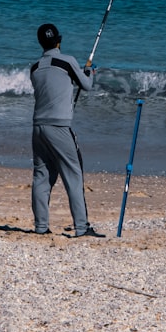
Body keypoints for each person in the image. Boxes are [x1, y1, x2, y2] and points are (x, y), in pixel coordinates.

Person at [29, 23, 105, 237]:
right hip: (59, 127)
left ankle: (41, 227)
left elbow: (51, 87)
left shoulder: (34, 68)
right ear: (59, 41)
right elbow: (87, 85)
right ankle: (82, 227)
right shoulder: (67, 61)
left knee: (41, 176)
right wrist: (89, 71)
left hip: (38, 127)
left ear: (40, 43)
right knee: (74, 174)